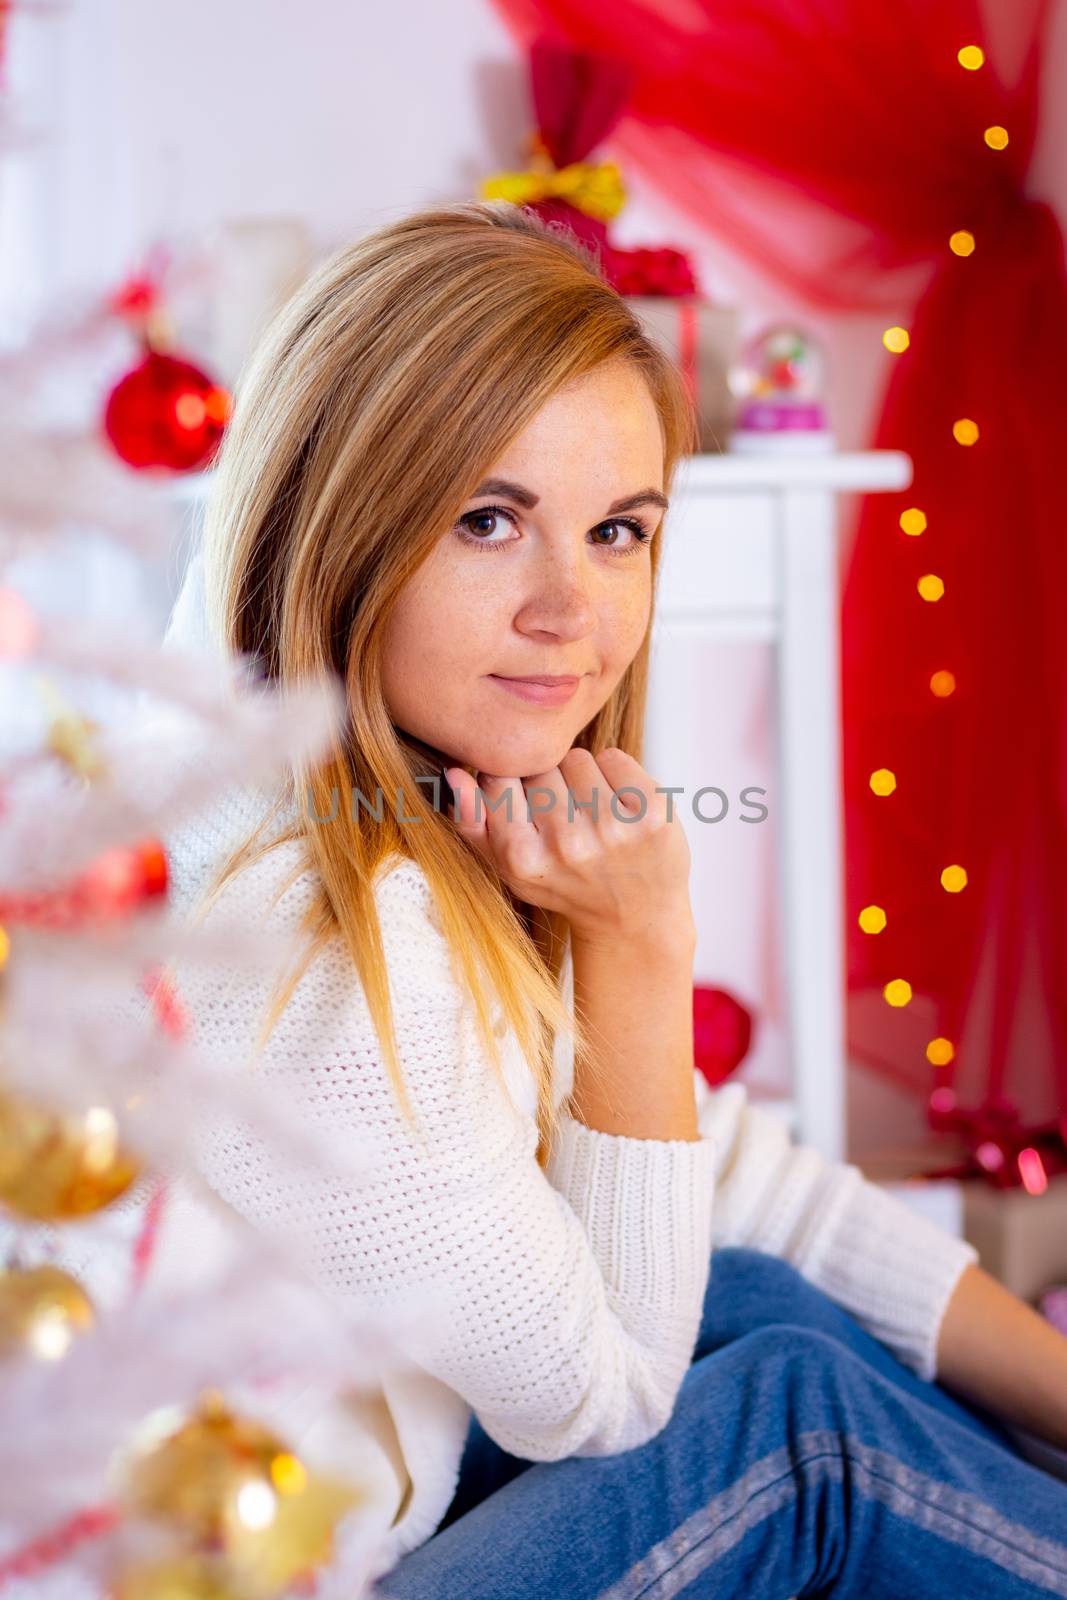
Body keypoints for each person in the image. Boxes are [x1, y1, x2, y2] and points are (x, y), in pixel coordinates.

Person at [150, 200, 1067, 1598]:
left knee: (752, 1295)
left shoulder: (410, 799)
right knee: (792, 1431)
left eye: (619, 532)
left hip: (368, 1517)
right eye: (489, 519)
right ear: (331, 527)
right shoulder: (311, 931)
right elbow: (606, 1404)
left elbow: (739, 1181)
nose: (571, 610)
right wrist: (642, 945)